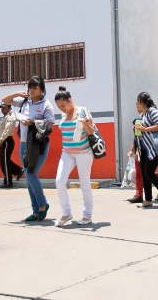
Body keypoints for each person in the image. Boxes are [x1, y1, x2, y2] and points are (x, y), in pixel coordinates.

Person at [2, 76, 55, 221]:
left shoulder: (46, 105)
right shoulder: (25, 100)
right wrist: (17, 93)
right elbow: (5, 100)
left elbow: (50, 126)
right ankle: (36, 211)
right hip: (24, 144)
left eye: (35, 88)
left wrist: (31, 123)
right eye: (30, 88)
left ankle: (43, 205)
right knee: (28, 177)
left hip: (38, 144)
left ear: (42, 89)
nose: (32, 91)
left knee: (31, 174)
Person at [54, 86, 95, 226]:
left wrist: (84, 124)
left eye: (63, 105)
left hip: (83, 152)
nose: (62, 109)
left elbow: (91, 131)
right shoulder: (63, 115)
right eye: (59, 107)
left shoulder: (82, 111)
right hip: (67, 152)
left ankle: (87, 215)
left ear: (70, 100)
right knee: (59, 181)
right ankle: (66, 213)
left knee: (84, 184)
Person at [133, 92, 158, 208]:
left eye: (137, 102)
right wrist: (137, 129)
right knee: (144, 174)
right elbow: (141, 130)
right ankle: (147, 200)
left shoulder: (152, 111)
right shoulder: (143, 114)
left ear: (139, 101)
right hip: (144, 148)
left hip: (154, 148)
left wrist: (145, 129)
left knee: (149, 172)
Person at [127, 112, 158, 204]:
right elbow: (136, 139)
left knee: (153, 173)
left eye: (138, 104)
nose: (137, 108)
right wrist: (132, 150)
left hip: (152, 151)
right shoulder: (139, 119)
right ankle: (142, 196)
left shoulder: (151, 115)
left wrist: (137, 151)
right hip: (141, 151)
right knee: (142, 174)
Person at [0, 102, 23, 189]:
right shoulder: (6, 116)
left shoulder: (10, 117)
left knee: (4, 161)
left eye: (4, 108)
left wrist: (1, 139)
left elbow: (7, 129)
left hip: (6, 141)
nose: (2, 109)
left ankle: (8, 182)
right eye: (1, 108)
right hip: (4, 141)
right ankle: (18, 170)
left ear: (9, 108)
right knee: (4, 160)